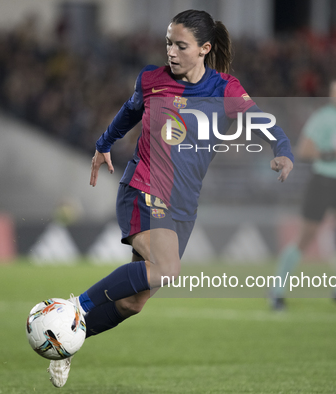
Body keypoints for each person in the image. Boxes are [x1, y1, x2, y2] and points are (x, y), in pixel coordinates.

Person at [47, 10, 294, 388]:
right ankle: (75, 307)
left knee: (133, 303)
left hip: (182, 207)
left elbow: (264, 122)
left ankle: (67, 343)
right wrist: (103, 145)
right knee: (167, 269)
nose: (172, 52)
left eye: (181, 45)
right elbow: (128, 113)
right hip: (142, 191)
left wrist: (283, 150)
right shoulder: (151, 80)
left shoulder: (225, 89)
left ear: (204, 49)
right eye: (168, 43)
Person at [269, 75, 336, 314]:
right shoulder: (322, 118)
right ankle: (276, 290)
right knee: (306, 238)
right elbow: (304, 150)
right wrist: (331, 154)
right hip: (323, 180)